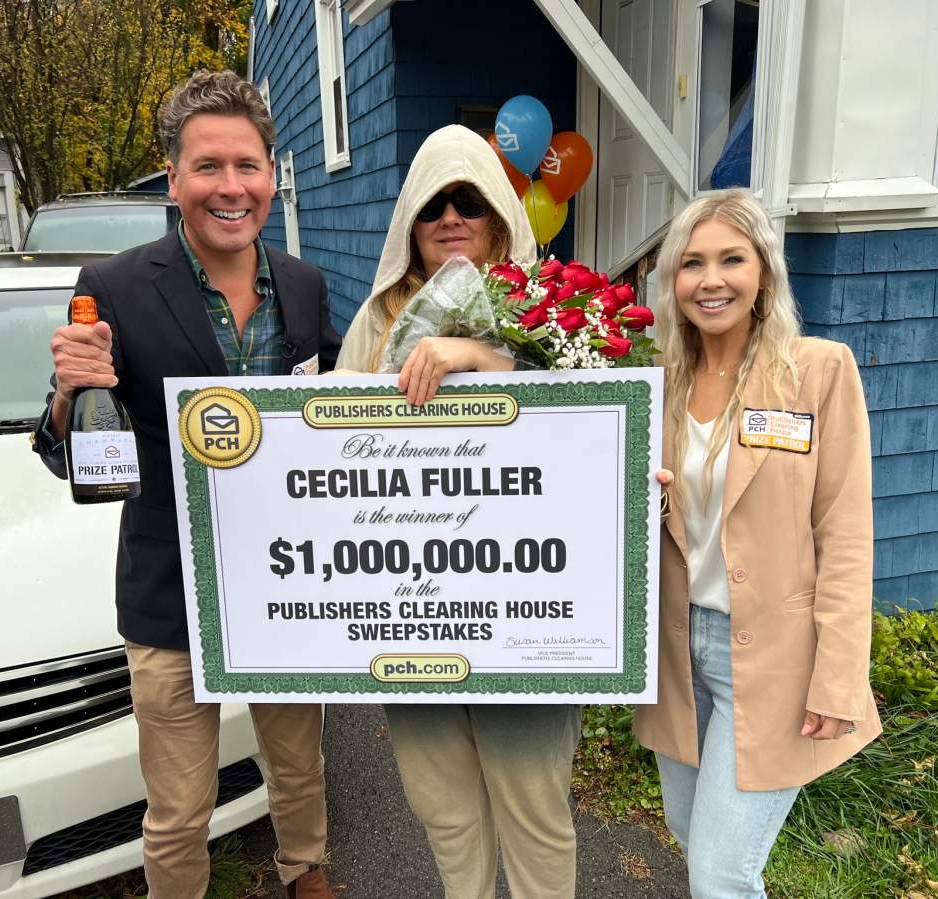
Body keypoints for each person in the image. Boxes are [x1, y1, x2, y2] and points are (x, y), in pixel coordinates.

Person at [31, 70, 341, 899]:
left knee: (298, 763)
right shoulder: (115, 285)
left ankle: (305, 871)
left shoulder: (304, 285)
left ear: (273, 175)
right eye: (208, 167)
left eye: (247, 165)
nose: (230, 187)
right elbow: (67, 451)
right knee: (177, 807)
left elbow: (339, 419)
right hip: (172, 590)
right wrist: (68, 392)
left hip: (288, 585)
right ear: (173, 179)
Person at [336, 124, 581, 899]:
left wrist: (480, 355)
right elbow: (327, 458)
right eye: (432, 204)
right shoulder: (375, 323)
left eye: (468, 200)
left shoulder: (549, 310)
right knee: (442, 807)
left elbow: (586, 419)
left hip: (524, 616)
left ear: (499, 214)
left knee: (534, 810)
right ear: (410, 221)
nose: (450, 217)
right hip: (414, 614)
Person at [633, 189, 882, 898]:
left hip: (774, 659)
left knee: (721, 873)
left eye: (731, 260)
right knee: (692, 837)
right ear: (672, 281)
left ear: (764, 273)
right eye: (692, 263)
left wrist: (839, 674)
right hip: (677, 652)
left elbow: (845, 534)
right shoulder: (656, 383)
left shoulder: (817, 372)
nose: (710, 280)